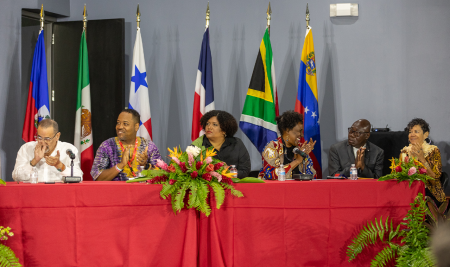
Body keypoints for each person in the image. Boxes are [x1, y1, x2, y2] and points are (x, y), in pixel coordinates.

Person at [91, 109, 162, 181]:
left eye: (125, 124)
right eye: (118, 123)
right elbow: (97, 177)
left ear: (136, 126)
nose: (120, 127)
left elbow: (162, 176)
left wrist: (146, 166)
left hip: (143, 192)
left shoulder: (149, 146)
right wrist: (120, 165)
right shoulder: (107, 146)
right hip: (115, 191)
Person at [12, 119, 83, 182]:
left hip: (59, 193)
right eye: (39, 137)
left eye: (47, 139)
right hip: (32, 193)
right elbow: (16, 177)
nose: (42, 142)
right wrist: (34, 161)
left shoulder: (68, 150)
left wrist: (60, 166)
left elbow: (79, 177)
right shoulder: (26, 148)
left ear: (57, 136)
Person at [258, 111, 316, 180]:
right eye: (299, 131)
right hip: (274, 189)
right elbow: (272, 175)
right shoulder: (272, 147)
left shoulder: (300, 148)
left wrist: (304, 157)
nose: (302, 135)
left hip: (296, 189)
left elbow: (313, 176)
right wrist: (297, 161)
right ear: (287, 130)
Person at [192, 110, 251, 178]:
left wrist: (228, 172)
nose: (209, 127)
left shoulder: (236, 143)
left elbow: (245, 171)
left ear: (224, 130)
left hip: (234, 186)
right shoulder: (198, 145)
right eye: (207, 124)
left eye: (214, 124)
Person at [400, 118, 446, 204]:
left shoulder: (433, 151)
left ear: (426, 134)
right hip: (408, 193)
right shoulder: (404, 152)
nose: (412, 134)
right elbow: (400, 177)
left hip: (429, 194)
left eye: (416, 132)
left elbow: (434, 181)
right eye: (410, 132)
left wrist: (421, 159)